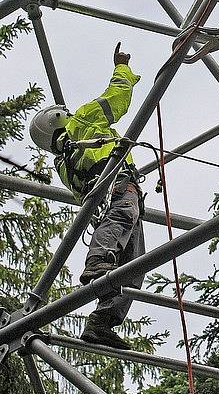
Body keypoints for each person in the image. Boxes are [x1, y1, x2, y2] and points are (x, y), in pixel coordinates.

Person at [29, 43, 144, 349]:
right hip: (118, 185)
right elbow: (115, 101)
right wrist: (122, 69)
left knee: (132, 265)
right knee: (122, 222)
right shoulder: (81, 121)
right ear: (59, 119)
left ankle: (101, 321)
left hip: (110, 195)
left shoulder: (62, 163)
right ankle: (96, 263)